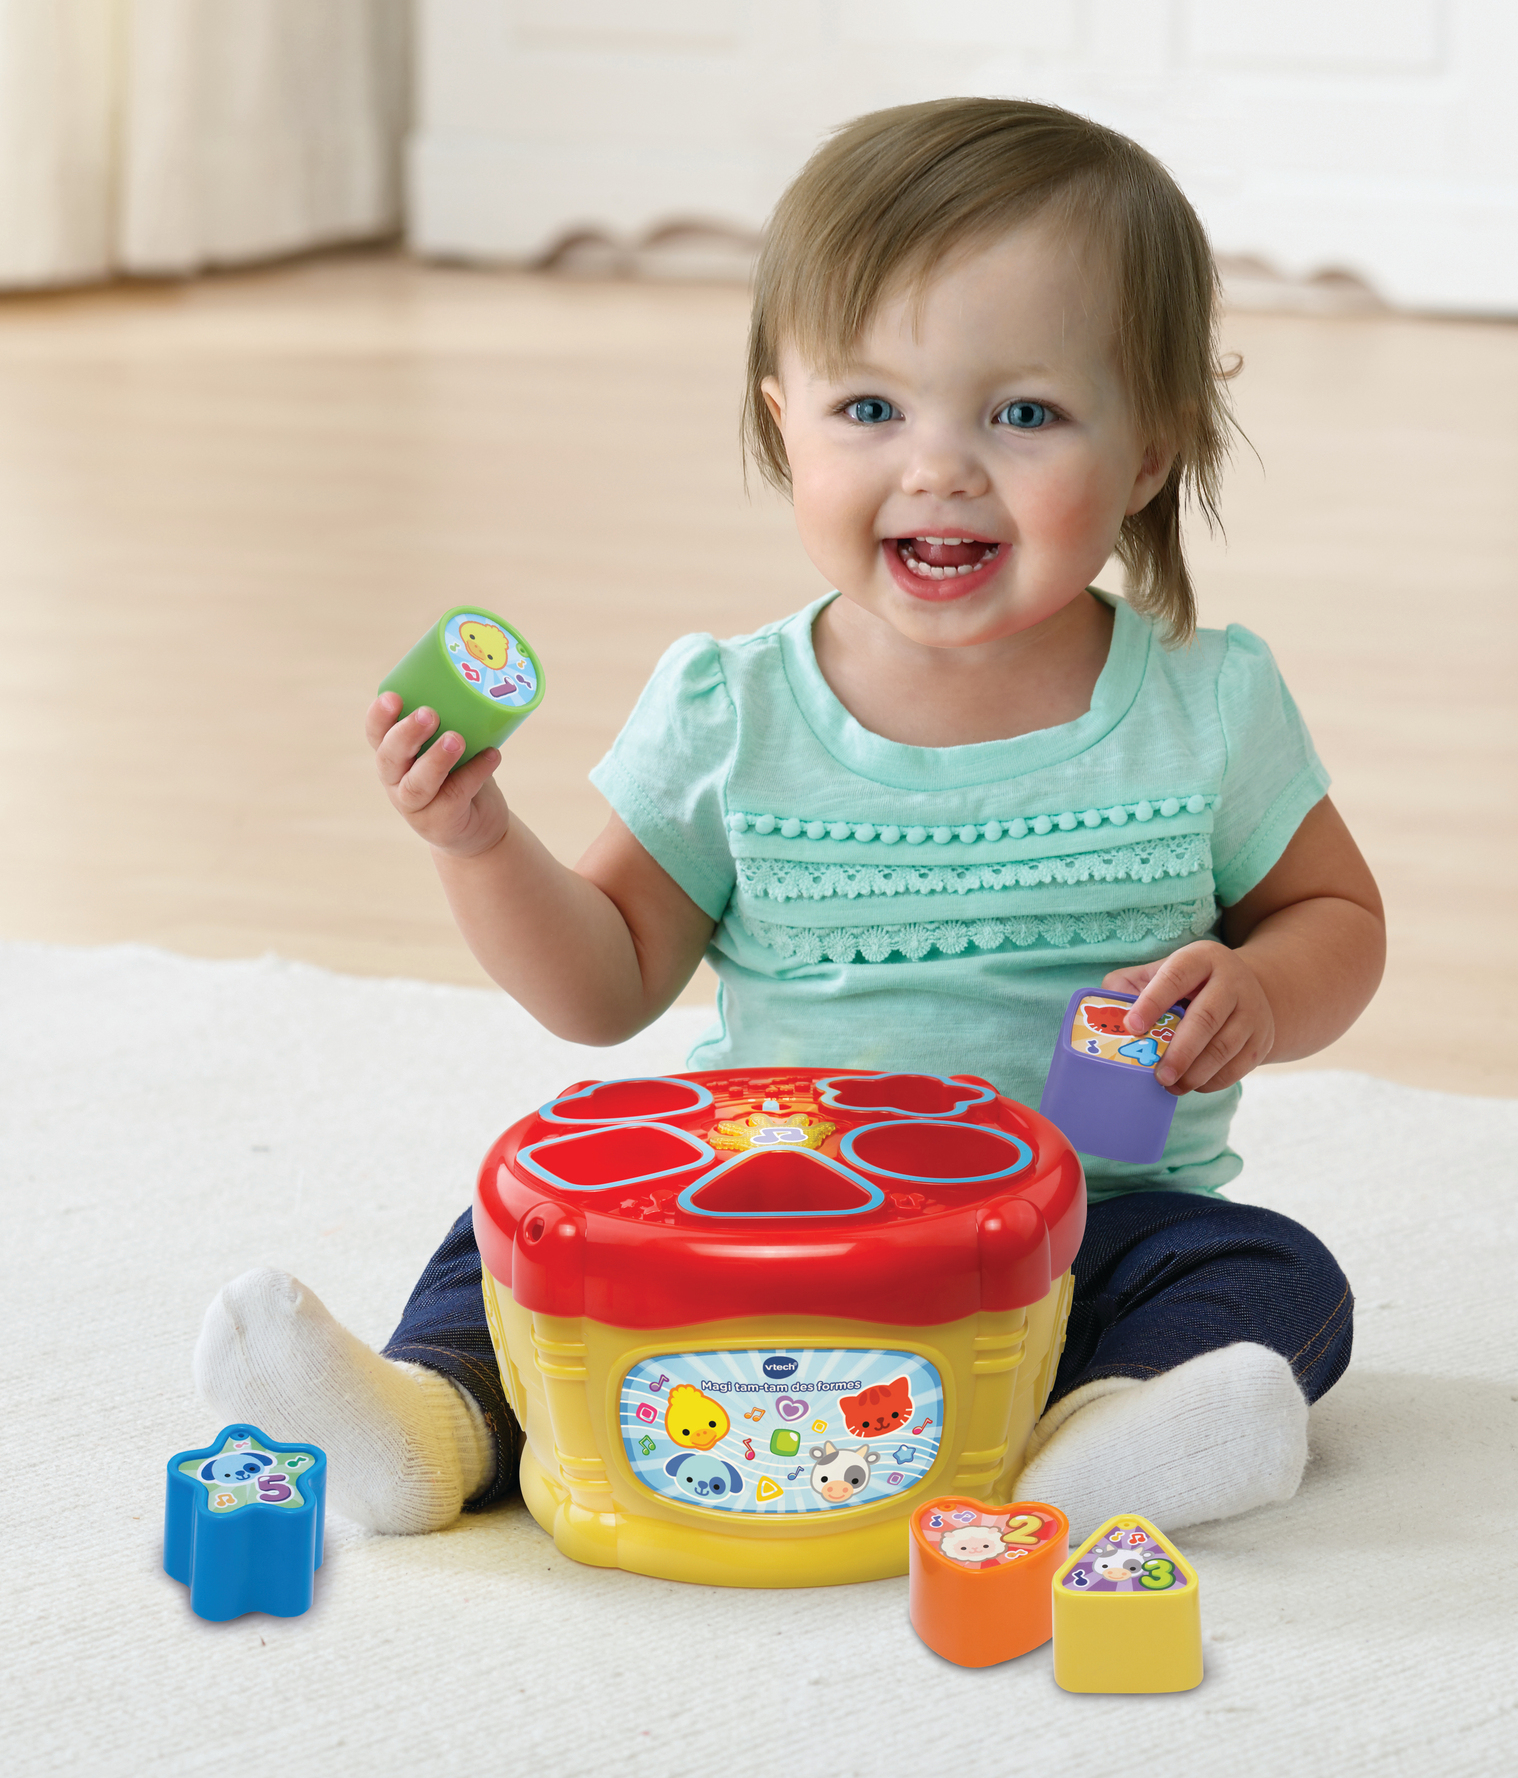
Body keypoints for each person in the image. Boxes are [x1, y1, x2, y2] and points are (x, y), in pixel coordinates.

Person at [195, 98, 1384, 1539]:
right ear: (785, 422)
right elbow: (601, 987)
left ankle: (1106, 1434)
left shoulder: (1207, 702)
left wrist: (1263, 988)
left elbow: (1335, 917)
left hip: (1085, 1227)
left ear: (1147, 453)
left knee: (1272, 1273)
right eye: (869, 410)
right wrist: (478, 843)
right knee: (512, 1232)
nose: (938, 468)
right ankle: (430, 1422)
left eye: (1022, 415)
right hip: (767, 1217)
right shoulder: (730, 709)